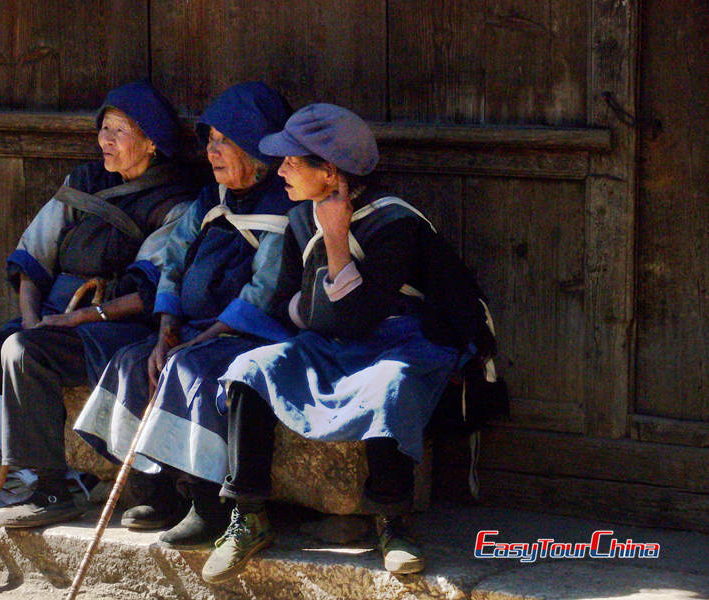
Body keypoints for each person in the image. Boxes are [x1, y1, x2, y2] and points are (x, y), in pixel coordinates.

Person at [0, 80, 197, 530]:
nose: (105, 140)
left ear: (151, 143)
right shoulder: (83, 182)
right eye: (103, 128)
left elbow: (149, 292)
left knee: (23, 353)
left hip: (111, 326)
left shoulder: (175, 203)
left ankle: (51, 491)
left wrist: (76, 318)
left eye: (119, 131)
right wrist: (32, 319)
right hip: (51, 319)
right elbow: (33, 258)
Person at [200, 103, 498, 582]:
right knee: (249, 371)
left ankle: (393, 523)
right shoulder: (300, 219)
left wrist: (337, 238)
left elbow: (360, 316)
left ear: (331, 171)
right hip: (330, 342)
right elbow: (286, 302)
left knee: (389, 387)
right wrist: (308, 310)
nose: (280, 171)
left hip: (398, 343)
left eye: (292, 162)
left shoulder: (394, 224)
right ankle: (248, 515)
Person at [74, 82, 292, 548]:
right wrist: (165, 330)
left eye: (225, 141)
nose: (212, 151)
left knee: (191, 370)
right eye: (210, 139)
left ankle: (207, 505)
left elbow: (264, 290)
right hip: (193, 330)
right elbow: (173, 261)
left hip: (247, 333)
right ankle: (154, 491)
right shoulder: (210, 198)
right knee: (132, 361)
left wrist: (195, 342)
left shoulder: (283, 206)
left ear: (257, 150)